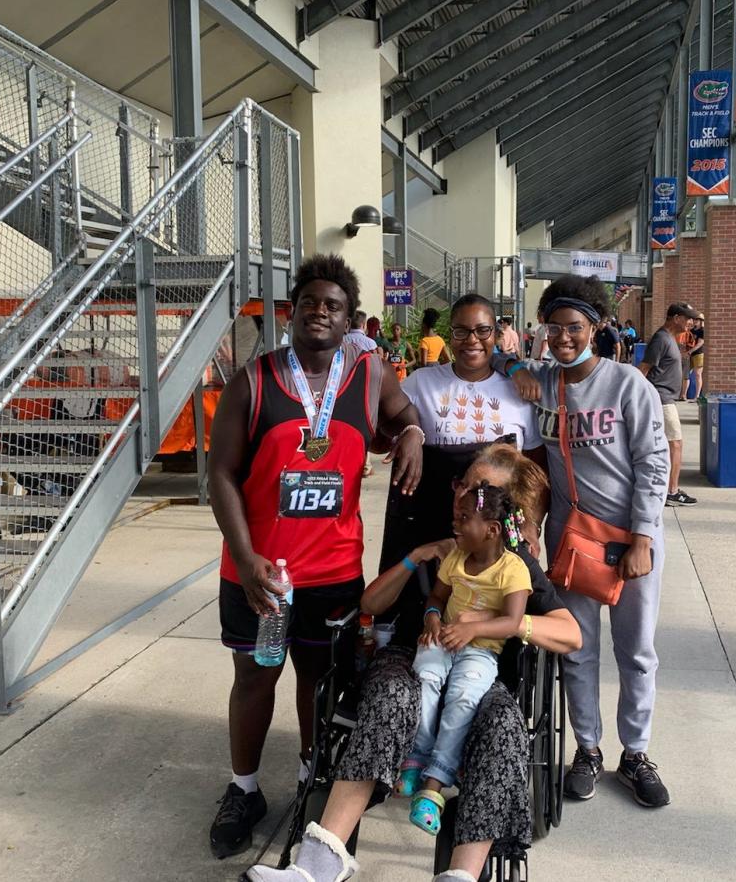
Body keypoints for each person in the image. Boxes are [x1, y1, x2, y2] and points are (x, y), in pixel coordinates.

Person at [244, 443, 580, 882]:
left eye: (479, 490)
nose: (464, 494)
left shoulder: (514, 563)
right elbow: (370, 603)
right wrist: (417, 556)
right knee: (391, 694)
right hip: (409, 654)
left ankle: (461, 875)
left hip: (481, 666)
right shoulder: (434, 533)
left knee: (502, 726)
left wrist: (505, 623)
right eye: (464, 483)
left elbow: (571, 634)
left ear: (499, 517)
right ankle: (316, 866)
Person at [205, 254, 425, 859]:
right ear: (291, 312)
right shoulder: (253, 381)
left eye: (333, 306)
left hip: (333, 573)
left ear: (349, 318)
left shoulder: (370, 375)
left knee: (321, 681)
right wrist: (246, 558)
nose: (320, 313)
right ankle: (244, 788)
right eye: (309, 303)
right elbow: (219, 475)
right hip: (260, 574)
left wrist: (411, 434)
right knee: (254, 678)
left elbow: (405, 415)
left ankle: (311, 777)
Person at [498, 273, 673, 811]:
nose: (563, 338)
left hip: (629, 543)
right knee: (578, 650)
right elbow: (500, 362)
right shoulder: (544, 381)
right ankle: (588, 750)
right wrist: (517, 367)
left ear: (595, 327)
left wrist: (644, 534)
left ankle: (637, 753)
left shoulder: (627, 385)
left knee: (636, 652)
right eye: (553, 328)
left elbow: (653, 461)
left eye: (573, 327)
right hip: (572, 541)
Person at [400, 484, 531, 836]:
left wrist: (472, 631)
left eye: (463, 518)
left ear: (491, 530)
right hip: (443, 638)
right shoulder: (456, 558)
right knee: (425, 678)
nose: (455, 525)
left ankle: (435, 782)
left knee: (462, 698)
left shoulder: (513, 569)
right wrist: (430, 616)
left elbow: (512, 622)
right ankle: (416, 756)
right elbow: (437, 597)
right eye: (455, 516)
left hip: (481, 649)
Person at [398, 294, 542, 455]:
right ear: (451, 335)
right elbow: (381, 437)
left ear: (495, 335)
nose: (472, 339)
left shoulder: (519, 388)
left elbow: (534, 462)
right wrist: (412, 430)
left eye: (483, 330)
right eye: (461, 331)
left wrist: (515, 368)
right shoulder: (421, 382)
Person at [639, 303, 699, 507]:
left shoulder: (670, 339)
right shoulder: (661, 339)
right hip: (661, 398)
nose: (691, 322)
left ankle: (667, 489)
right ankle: (671, 491)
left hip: (667, 399)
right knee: (675, 444)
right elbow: (643, 370)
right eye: (687, 318)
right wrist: (639, 398)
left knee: (669, 444)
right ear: (675, 318)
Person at [687, 316, 705, 400]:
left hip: (699, 354)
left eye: (697, 320)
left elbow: (700, 343)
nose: (695, 321)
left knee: (697, 374)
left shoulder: (702, 330)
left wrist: (690, 351)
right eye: (694, 319)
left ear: (701, 321)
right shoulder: (692, 330)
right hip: (690, 354)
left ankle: (697, 395)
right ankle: (683, 394)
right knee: (685, 374)